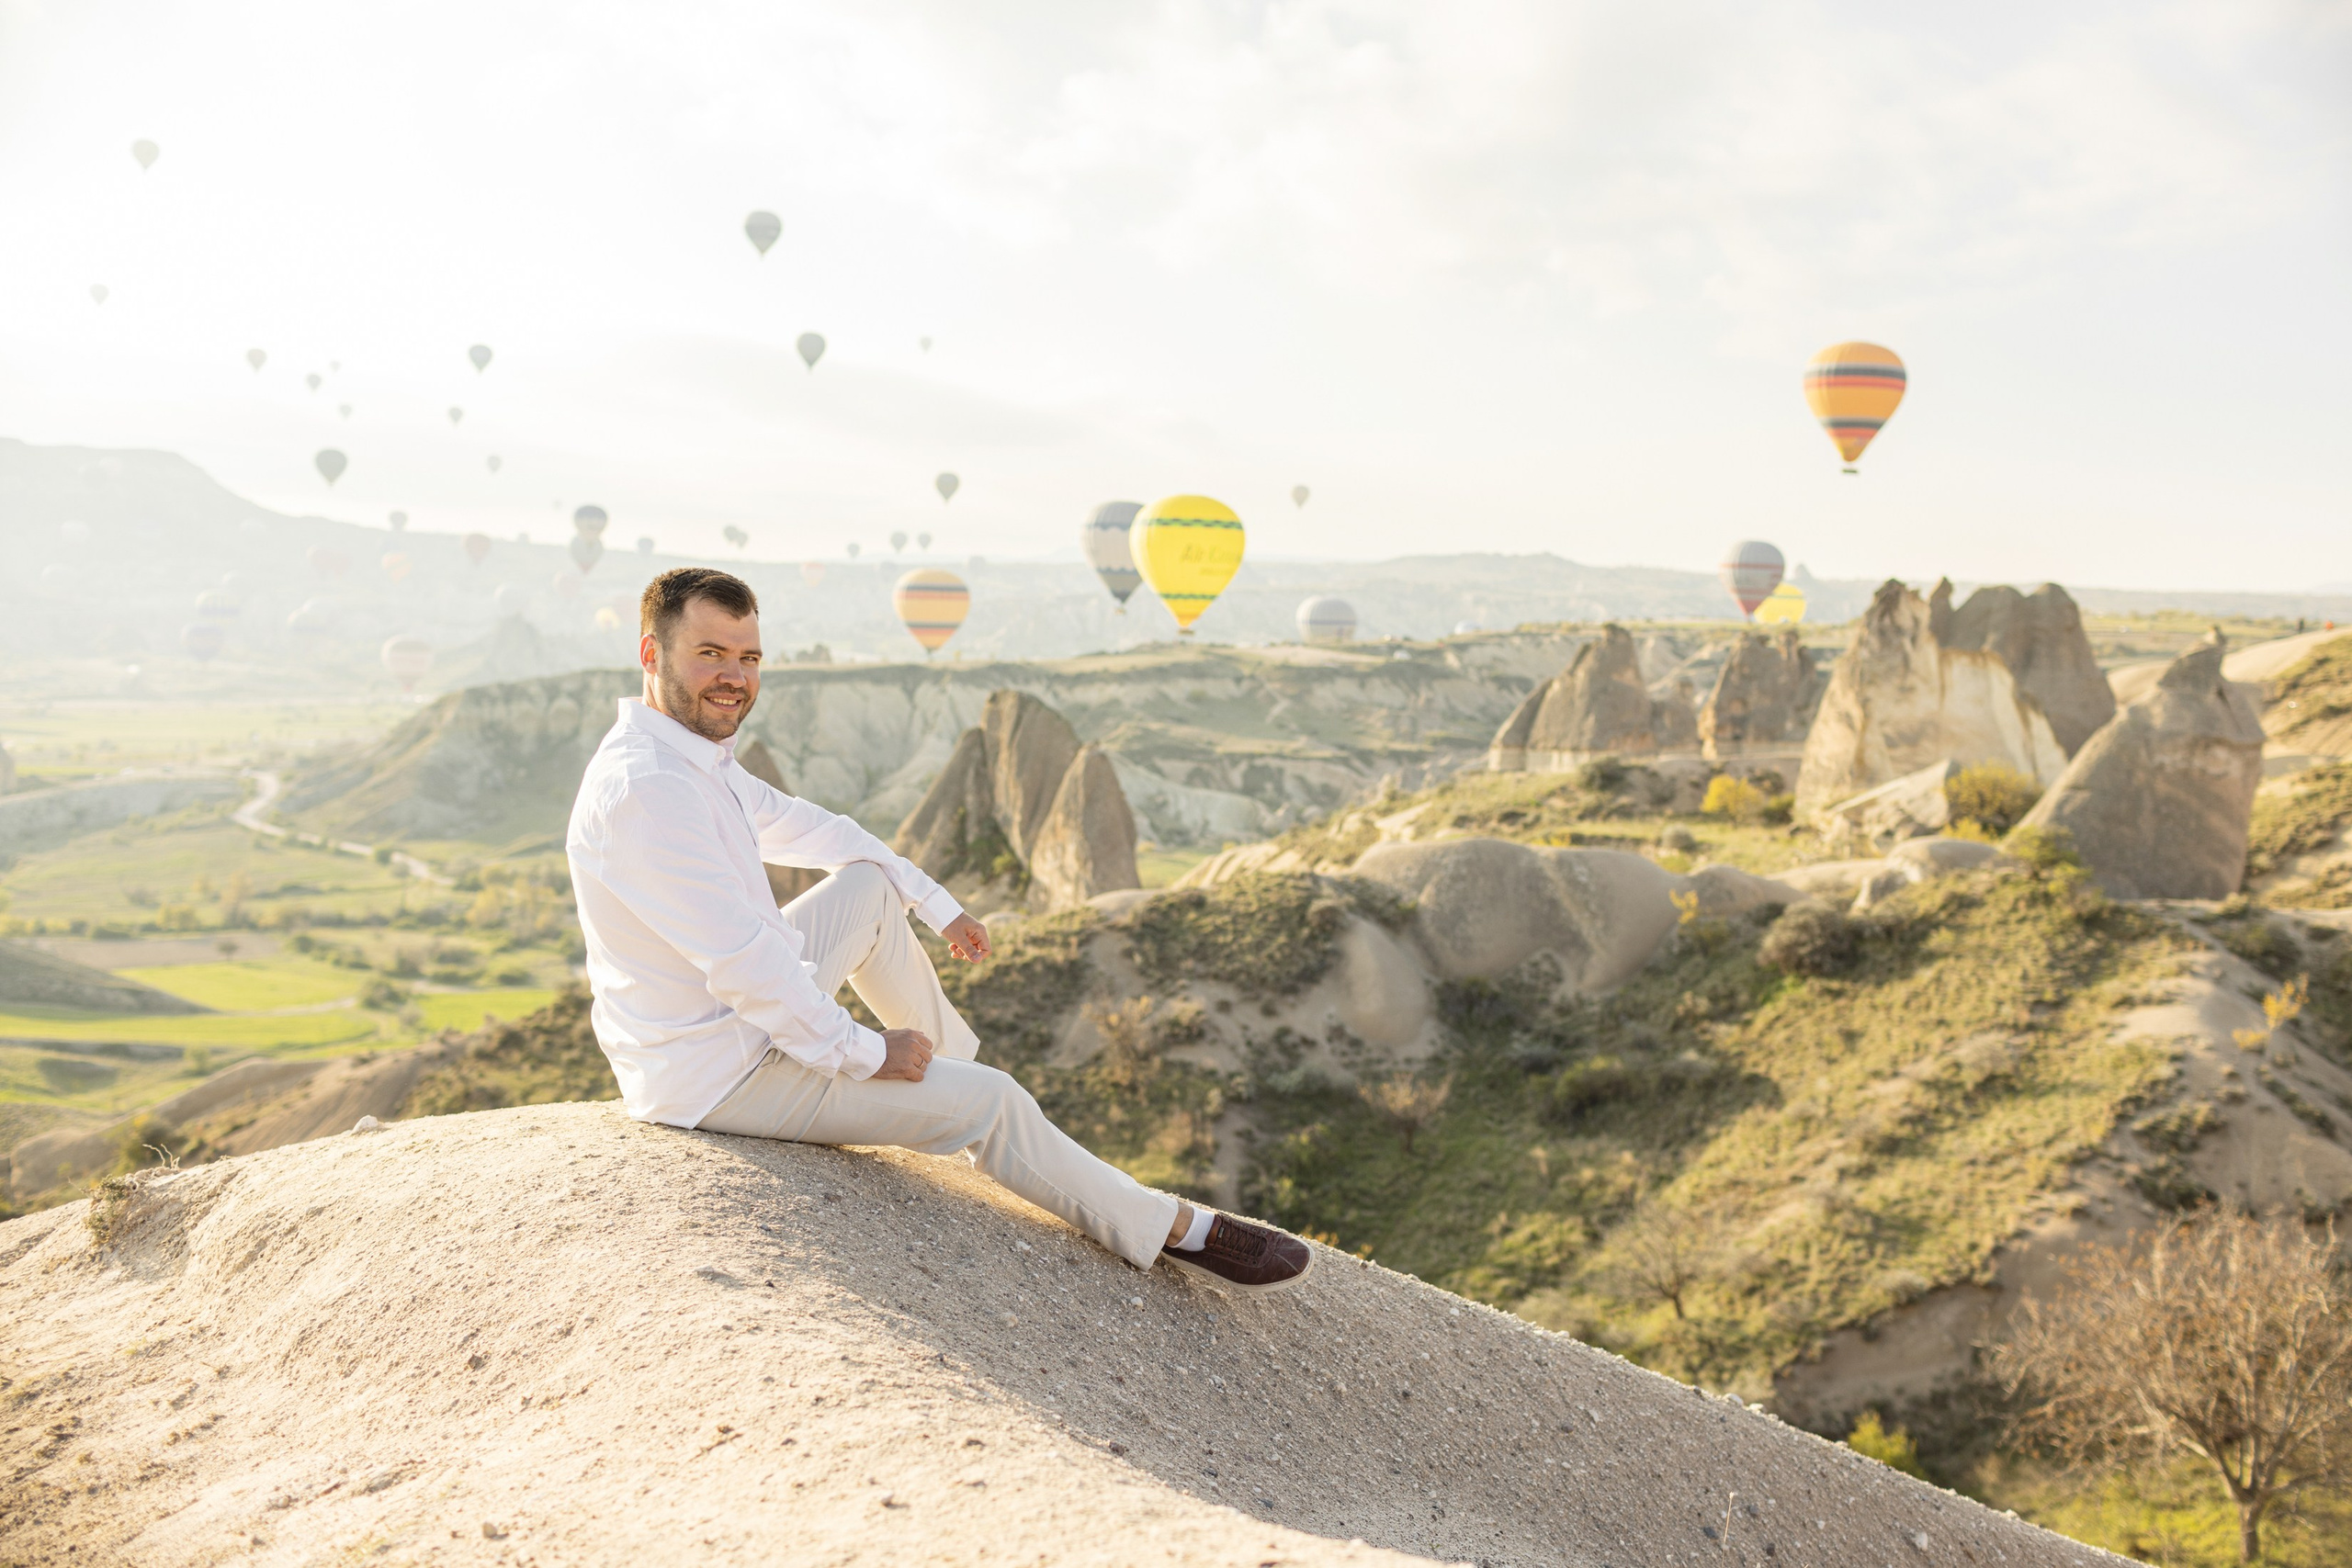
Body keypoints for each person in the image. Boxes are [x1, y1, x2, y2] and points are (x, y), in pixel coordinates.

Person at [566, 567, 1310, 1292]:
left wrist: (934, 902)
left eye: (749, 657)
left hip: (729, 1022)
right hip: (718, 1071)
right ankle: (1172, 1229)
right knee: (996, 1100)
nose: (735, 676)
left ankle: (951, 1091)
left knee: (865, 886)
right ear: (651, 653)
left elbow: (824, 833)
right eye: (711, 654)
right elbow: (747, 968)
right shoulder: (649, 790)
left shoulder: (692, 759)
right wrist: (863, 1051)